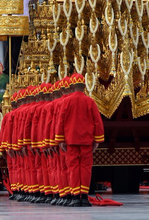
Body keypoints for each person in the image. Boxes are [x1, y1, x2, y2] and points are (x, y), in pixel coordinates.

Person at [55, 74, 104, 207]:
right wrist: (97, 140)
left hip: (71, 141)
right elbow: (97, 122)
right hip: (87, 141)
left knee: (73, 167)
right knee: (86, 168)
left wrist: (60, 140)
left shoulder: (66, 102)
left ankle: (76, 196)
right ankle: (84, 195)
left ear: (72, 87)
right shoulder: (90, 101)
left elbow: (61, 121)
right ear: (84, 87)